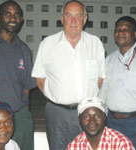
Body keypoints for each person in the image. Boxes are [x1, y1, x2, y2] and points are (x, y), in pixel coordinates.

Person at [32, 0, 105, 149]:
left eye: (78, 16)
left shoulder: (95, 43)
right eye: (69, 15)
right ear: (62, 18)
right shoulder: (48, 44)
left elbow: (100, 78)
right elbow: (40, 78)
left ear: (85, 19)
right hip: (57, 114)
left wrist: (86, 101)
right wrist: (57, 97)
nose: (73, 21)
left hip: (88, 112)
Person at [0, 1, 35, 150]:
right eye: (8, 14)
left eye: (17, 14)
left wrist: (25, 118)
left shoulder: (24, 49)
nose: (13, 18)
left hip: (19, 117)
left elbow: (26, 88)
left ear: (21, 20)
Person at [98, 16, 136, 149]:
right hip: (111, 122)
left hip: (135, 123)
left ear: (135, 34)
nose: (120, 32)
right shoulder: (109, 60)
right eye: (117, 29)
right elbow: (102, 95)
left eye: (126, 29)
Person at [67, 97, 135, 150]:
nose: (92, 121)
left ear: (105, 117)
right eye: (86, 117)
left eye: (98, 116)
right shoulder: (73, 146)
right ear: (79, 120)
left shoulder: (121, 143)